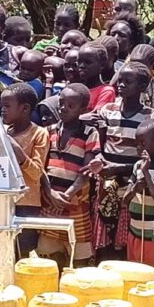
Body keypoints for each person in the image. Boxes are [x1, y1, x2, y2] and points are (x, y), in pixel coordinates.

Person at [86, 62, 154, 258]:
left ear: (142, 87)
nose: (121, 85)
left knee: (126, 229)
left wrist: (119, 169)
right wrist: (99, 160)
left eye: (128, 82)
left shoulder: (150, 116)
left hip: (133, 180)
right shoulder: (108, 110)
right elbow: (100, 143)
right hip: (107, 179)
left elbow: (150, 156)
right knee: (104, 227)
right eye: (120, 80)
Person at [40, 83, 100, 265]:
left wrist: (66, 196)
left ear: (83, 109)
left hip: (75, 204)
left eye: (70, 105)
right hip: (50, 202)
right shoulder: (48, 131)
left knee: (79, 258)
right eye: (61, 103)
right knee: (47, 258)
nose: (63, 108)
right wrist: (50, 193)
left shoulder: (89, 133)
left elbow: (86, 171)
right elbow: (40, 167)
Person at [1, 83, 49, 257]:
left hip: (26, 204)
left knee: (22, 255)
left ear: (25, 108)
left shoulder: (39, 134)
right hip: (1, 201)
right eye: (2, 106)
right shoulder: (2, 131)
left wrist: (17, 151)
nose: (3, 110)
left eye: (7, 106)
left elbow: (37, 172)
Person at [124, 119, 154, 269]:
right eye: (137, 143)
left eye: (143, 143)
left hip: (153, 235)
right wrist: (134, 189)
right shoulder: (137, 166)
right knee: (134, 272)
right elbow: (124, 201)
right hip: (135, 232)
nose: (139, 148)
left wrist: (146, 174)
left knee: (151, 273)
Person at [77, 43, 116, 110]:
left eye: (88, 62)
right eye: (79, 62)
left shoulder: (106, 91)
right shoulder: (75, 89)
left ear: (102, 65)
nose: (81, 66)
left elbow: (95, 117)